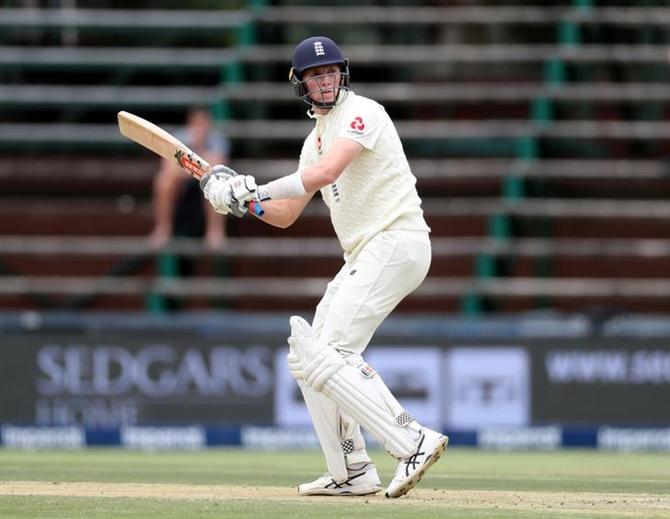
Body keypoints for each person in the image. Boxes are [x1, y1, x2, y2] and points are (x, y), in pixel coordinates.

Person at [202, 36, 448, 498]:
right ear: (301, 86)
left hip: (395, 240)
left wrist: (250, 188)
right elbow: (287, 213)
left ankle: (412, 439)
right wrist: (241, 202)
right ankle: (351, 469)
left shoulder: (363, 113)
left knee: (331, 351)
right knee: (307, 353)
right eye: (315, 75)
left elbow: (329, 172)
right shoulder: (313, 141)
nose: (326, 79)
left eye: (331, 71)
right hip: (365, 252)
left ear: (343, 73)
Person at [149, 107, 228, 251]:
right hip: (181, 186)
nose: (200, 127)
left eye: (204, 123)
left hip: (206, 186)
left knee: (216, 185)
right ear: (190, 124)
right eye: (196, 123)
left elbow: (217, 168)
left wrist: (188, 166)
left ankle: (215, 231)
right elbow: (168, 167)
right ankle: (163, 228)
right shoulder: (179, 138)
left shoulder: (217, 139)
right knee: (164, 181)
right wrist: (198, 169)